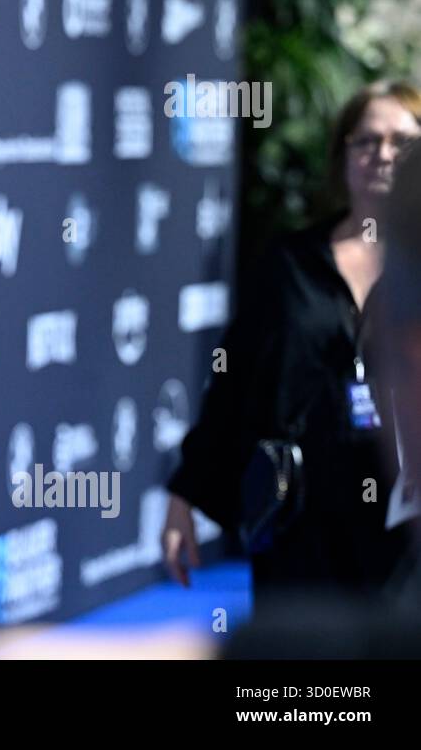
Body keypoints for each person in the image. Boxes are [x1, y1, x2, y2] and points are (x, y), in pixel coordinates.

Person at [161, 80, 421, 606]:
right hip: (300, 529)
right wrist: (186, 493)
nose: (383, 156)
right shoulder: (288, 264)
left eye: (403, 143)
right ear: (342, 156)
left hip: (406, 538)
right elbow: (231, 381)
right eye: (366, 141)